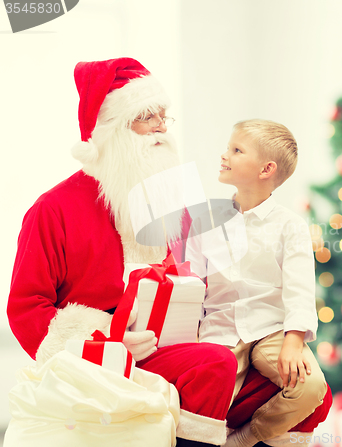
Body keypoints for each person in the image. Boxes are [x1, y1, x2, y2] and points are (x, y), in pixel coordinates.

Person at [7, 57, 237, 447]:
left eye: (164, 116)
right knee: (215, 365)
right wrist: (104, 341)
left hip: (171, 346)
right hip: (100, 358)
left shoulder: (169, 205)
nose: (162, 127)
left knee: (275, 381)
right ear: (111, 131)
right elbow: (26, 308)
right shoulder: (53, 209)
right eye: (147, 116)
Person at [185, 120, 328, 447]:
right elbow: (191, 282)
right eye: (228, 147)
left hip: (271, 329)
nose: (224, 155)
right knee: (206, 396)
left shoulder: (290, 226)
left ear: (266, 169)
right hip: (219, 327)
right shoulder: (205, 219)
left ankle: (245, 439)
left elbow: (300, 290)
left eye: (236, 150)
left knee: (311, 386)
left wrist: (294, 341)